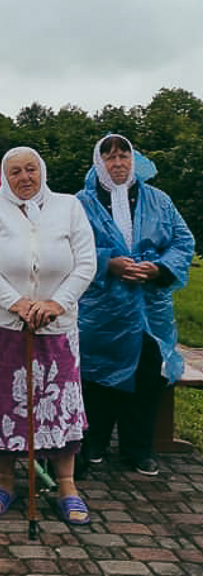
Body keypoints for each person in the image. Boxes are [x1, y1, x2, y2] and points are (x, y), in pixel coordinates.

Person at [0, 147, 96, 524]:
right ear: (5, 177)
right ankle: (4, 481)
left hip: (56, 323)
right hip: (1, 322)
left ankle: (67, 485)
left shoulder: (68, 206)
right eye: (15, 172)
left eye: (31, 169)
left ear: (42, 171)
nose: (25, 177)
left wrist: (57, 303)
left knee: (60, 404)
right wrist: (16, 303)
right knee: (3, 403)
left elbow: (86, 262)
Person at [76, 134, 195, 475]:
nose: (117, 163)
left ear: (133, 159)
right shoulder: (81, 204)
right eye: (109, 157)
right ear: (99, 163)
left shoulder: (159, 200)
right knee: (97, 376)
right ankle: (94, 441)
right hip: (102, 307)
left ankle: (138, 448)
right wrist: (107, 263)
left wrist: (159, 268)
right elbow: (68, 246)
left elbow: (183, 241)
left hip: (149, 307)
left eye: (123, 155)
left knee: (147, 374)